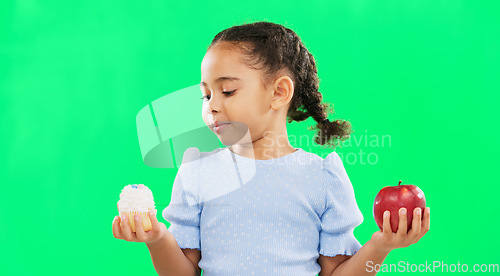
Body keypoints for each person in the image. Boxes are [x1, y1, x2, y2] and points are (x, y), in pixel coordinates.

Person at [112, 21, 430, 276]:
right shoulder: (198, 171)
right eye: (206, 95)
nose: (212, 106)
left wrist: (382, 245)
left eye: (227, 90)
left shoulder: (322, 176)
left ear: (278, 92)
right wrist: (157, 239)